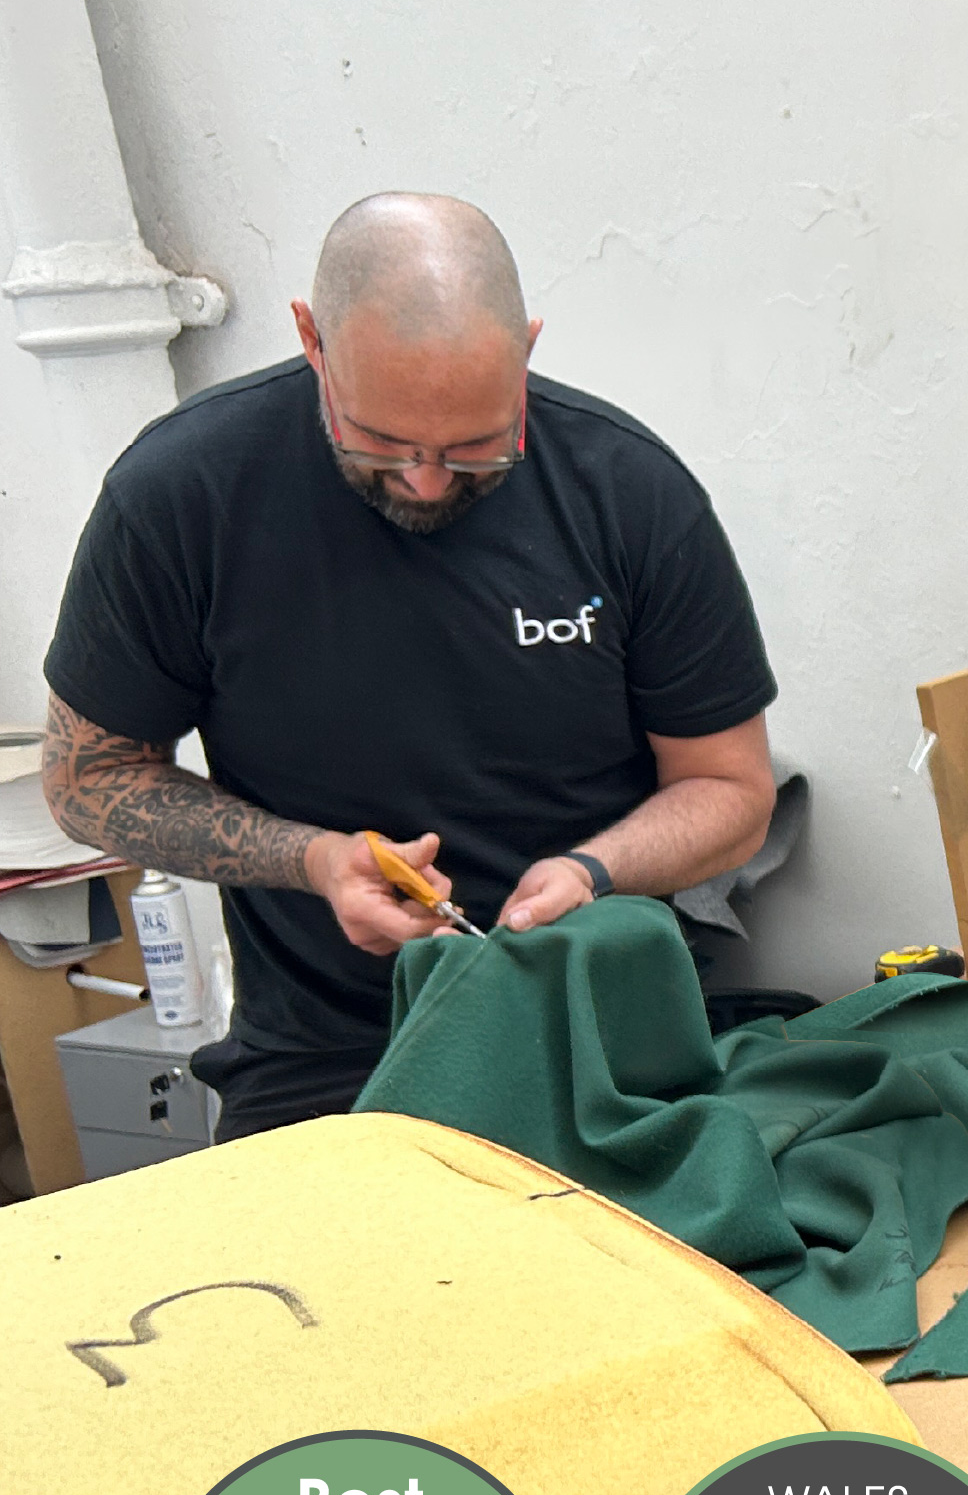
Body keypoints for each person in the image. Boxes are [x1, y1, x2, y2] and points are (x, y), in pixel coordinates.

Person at [42, 192, 777, 1139]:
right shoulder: (182, 496)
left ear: (526, 351)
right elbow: (88, 778)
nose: (428, 481)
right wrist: (314, 860)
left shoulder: (629, 490)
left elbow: (730, 788)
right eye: (382, 442)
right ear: (311, 340)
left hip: (605, 1027)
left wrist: (595, 870)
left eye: (476, 448)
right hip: (330, 1057)